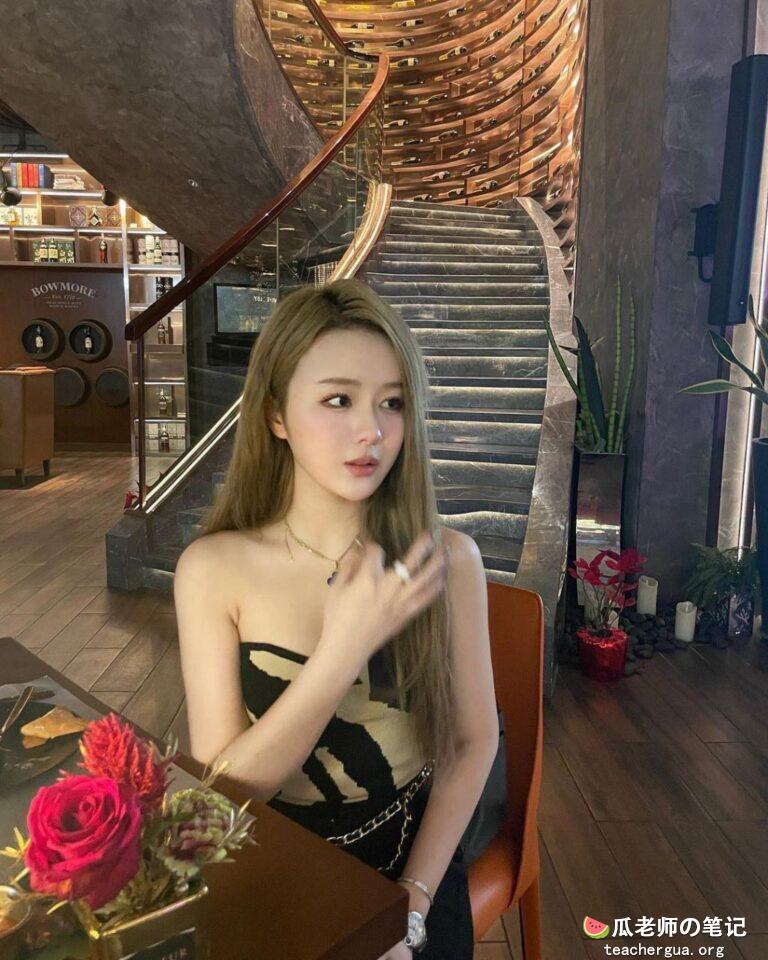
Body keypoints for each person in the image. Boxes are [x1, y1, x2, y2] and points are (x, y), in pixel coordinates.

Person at [174, 279, 499, 958]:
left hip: (409, 856)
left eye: (392, 403)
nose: (371, 431)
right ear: (276, 415)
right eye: (338, 400)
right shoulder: (213, 569)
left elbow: (473, 743)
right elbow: (222, 791)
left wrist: (410, 906)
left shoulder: (446, 561)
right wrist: (345, 647)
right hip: (266, 860)